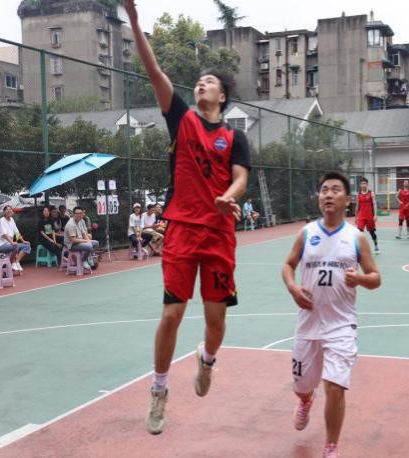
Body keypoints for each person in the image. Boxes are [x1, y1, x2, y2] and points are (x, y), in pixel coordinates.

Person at [124, 0, 251, 435]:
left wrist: (227, 198)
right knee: (171, 314)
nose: (201, 84)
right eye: (198, 81)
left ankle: (207, 360)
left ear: (222, 96)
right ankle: (159, 391)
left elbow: (240, 179)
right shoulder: (180, 120)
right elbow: (154, 71)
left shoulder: (235, 136)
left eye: (209, 81)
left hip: (218, 234)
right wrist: (135, 21)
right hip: (181, 229)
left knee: (216, 323)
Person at [282, 172, 381, 458]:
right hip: (308, 323)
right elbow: (288, 265)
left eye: (335, 190)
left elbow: (375, 278)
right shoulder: (306, 233)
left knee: (335, 386)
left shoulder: (356, 238)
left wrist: (360, 279)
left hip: (341, 325)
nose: (328, 194)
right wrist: (292, 287)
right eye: (324, 189)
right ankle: (305, 400)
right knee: (302, 386)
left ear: (347, 200)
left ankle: (331, 447)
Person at [0, 205, 31, 272]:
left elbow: (17, 232)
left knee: (27, 245)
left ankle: (16, 262)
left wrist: (23, 241)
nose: (9, 211)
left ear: (12, 212)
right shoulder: (2, 220)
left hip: (11, 245)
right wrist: (12, 242)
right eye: (7, 209)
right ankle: (13, 263)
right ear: (4, 212)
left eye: (10, 209)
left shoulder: (12, 220)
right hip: (1, 245)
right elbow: (4, 234)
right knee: (15, 246)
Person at [64, 206, 99, 271]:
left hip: (79, 241)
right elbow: (73, 240)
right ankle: (83, 260)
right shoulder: (71, 224)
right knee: (89, 246)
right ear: (73, 214)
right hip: (71, 245)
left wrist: (88, 240)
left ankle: (84, 257)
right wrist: (86, 242)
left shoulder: (81, 221)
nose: (79, 215)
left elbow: (84, 234)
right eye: (77, 213)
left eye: (81, 213)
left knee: (96, 243)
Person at [354, 177, 379, 253]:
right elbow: (357, 206)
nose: (363, 185)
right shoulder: (359, 194)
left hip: (369, 216)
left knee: (372, 232)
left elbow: (374, 204)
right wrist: (356, 217)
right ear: (360, 185)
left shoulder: (371, 193)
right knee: (359, 232)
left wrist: (375, 215)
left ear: (367, 184)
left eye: (364, 183)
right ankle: (359, 248)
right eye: (362, 183)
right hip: (361, 216)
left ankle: (376, 245)